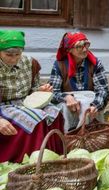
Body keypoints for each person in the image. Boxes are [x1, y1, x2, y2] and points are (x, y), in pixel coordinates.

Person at [0, 30, 63, 163]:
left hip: (25, 101)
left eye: (18, 54)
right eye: (8, 55)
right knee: (35, 119)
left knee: (55, 112)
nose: (14, 58)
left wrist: (40, 90)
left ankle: (53, 156)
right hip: (4, 105)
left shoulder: (29, 63)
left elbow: (33, 89)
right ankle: (29, 161)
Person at [50, 32, 109, 132]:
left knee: (91, 104)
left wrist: (95, 105)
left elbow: (103, 89)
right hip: (69, 105)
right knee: (65, 107)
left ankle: (92, 133)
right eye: (79, 46)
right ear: (69, 50)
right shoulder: (59, 65)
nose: (85, 49)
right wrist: (66, 97)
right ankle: (70, 135)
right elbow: (53, 93)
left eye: (86, 45)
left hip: (90, 102)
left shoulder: (95, 63)